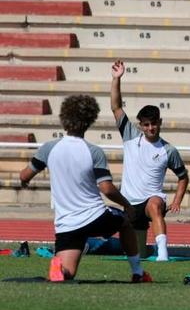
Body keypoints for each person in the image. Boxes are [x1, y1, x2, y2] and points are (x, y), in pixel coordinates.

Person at [18, 94, 151, 282]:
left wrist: (24, 181)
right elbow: (106, 188)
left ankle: (59, 268)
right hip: (94, 216)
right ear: (89, 121)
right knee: (125, 222)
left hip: (67, 224)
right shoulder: (93, 151)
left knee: (67, 274)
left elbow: (24, 175)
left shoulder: (48, 149)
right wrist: (127, 205)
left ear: (64, 119)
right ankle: (138, 273)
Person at [111, 60, 190, 261]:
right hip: (129, 203)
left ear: (160, 123)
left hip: (151, 199)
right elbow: (116, 106)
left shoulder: (168, 150)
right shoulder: (130, 136)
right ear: (141, 125)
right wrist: (116, 79)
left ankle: (163, 253)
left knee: (155, 206)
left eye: (154, 124)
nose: (150, 128)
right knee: (135, 253)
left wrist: (177, 200)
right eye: (146, 125)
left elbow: (183, 176)